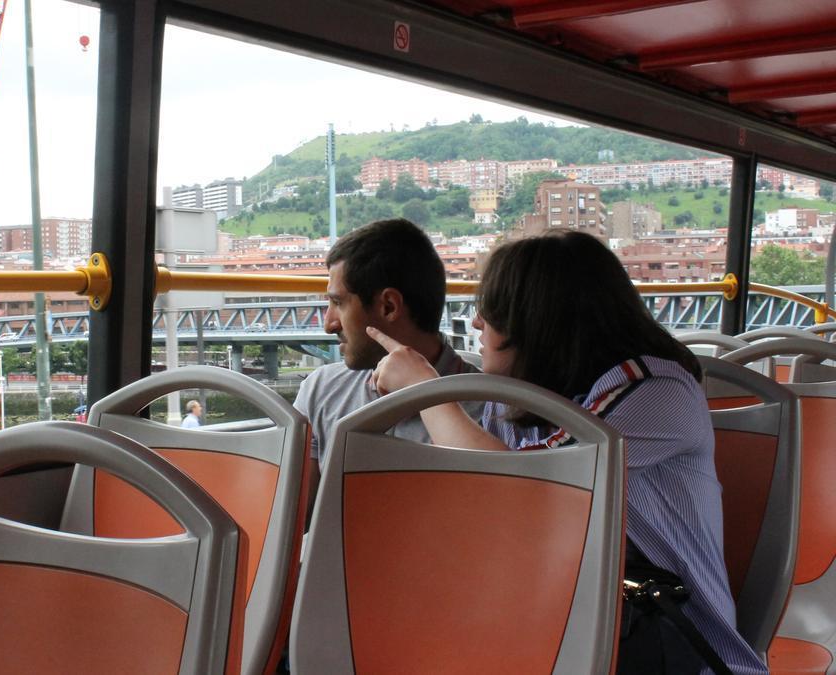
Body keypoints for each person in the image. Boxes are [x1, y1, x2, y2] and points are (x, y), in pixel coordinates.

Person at [369, 230, 764, 675]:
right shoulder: (515, 397)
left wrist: (426, 391)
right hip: (557, 616)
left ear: (537, 320)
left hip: (670, 639)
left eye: (491, 310)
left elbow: (520, 486)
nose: (477, 323)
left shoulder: (656, 392)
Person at [293, 218, 480, 468]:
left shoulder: (493, 411)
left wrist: (425, 391)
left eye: (338, 303)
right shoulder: (319, 391)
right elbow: (297, 504)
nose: (329, 324)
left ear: (389, 306)